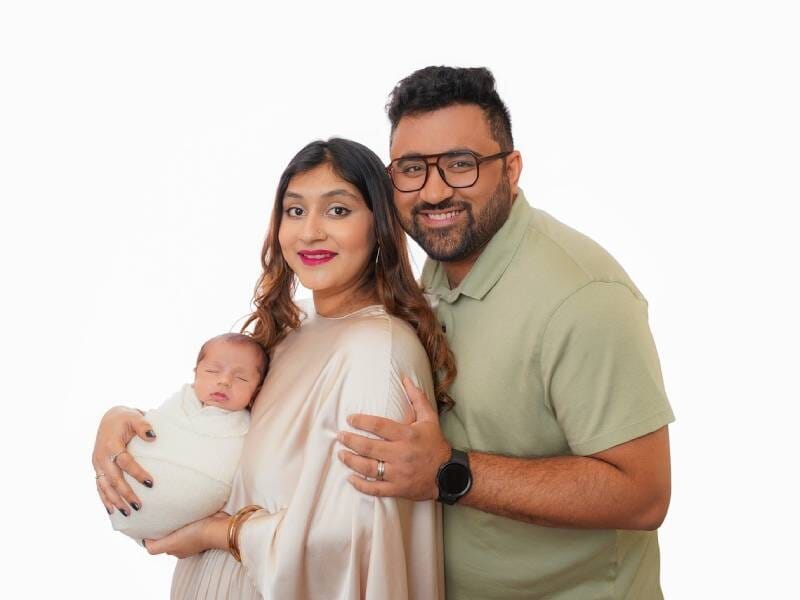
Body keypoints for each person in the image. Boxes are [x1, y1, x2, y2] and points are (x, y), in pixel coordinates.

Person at [336, 66, 675, 599]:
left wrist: (450, 472)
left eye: (461, 165)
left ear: (511, 169)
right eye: (411, 169)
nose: (434, 191)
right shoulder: (438, 265)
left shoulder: (583, 297)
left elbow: (643, 495)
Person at [91, 138, 455, 599]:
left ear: (378, 226)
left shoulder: (374, 351)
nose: (309, 233)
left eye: (338, 211)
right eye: (295, 211)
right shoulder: (292, 328)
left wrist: (218, 534)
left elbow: (354, 543)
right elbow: (224, 428)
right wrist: (121, 420)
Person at [106, 333, 264, 544]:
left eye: (241, 378)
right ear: (196, 374)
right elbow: (153, 427)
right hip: (123, 499)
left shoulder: (248, 428)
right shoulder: (179, 404)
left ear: (256, 391)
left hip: (196, 532)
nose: (224, 381)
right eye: (212, 371)